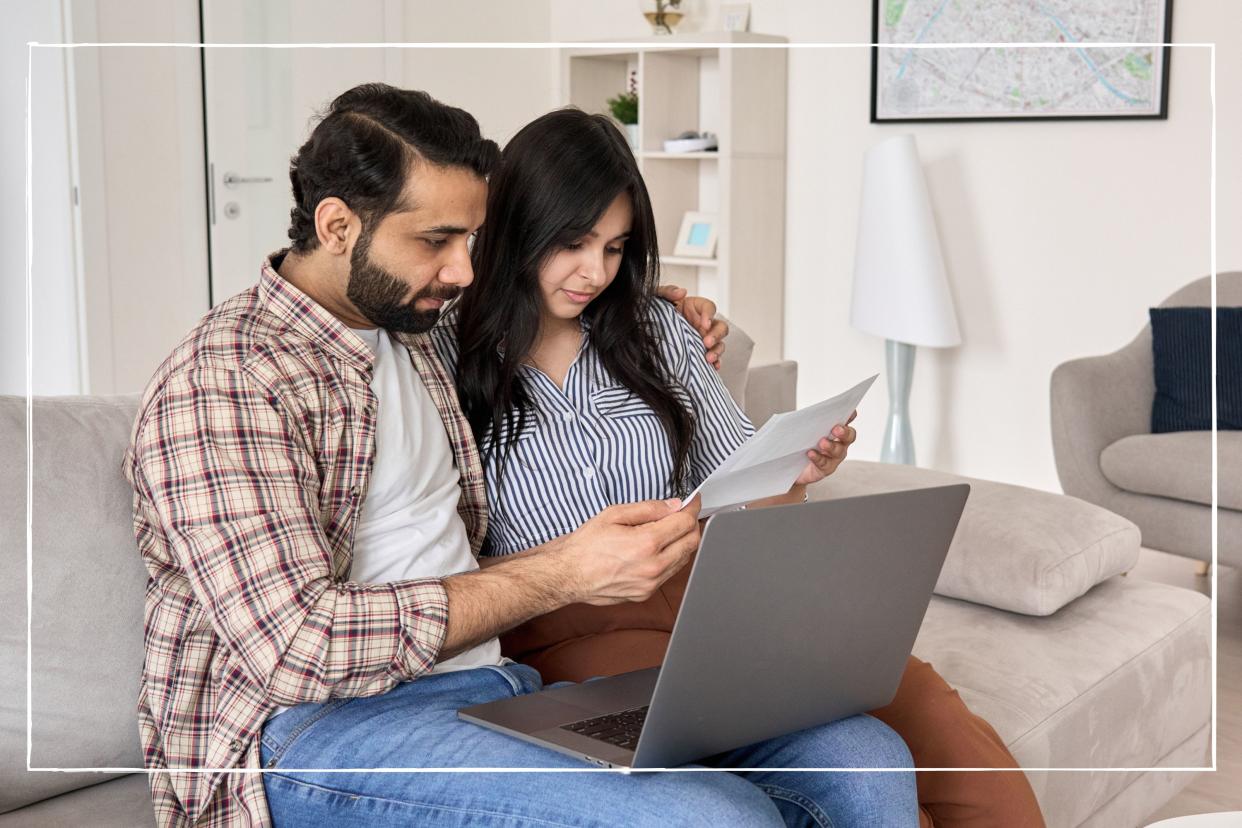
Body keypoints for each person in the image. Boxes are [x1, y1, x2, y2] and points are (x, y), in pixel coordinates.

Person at [125, 83, 917, 828]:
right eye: (437, 240)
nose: (465, 269)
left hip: (497, 687)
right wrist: (567, 571)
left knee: (863, 761)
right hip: (313, 733)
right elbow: (300, 649)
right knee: (710, 818)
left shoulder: (416, 331)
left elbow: (556, 296)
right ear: (337, 227)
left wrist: (664, 306)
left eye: (470, 238)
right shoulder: (227, 379)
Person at [435, 107, 1046, 828]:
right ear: (516, 226)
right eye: (573, 243)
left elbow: (744, 479)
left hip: (715, 589)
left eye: (615, 246)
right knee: (843, 750)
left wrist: (798, 469)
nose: (595, 271)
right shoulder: (443, 355)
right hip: (573, 624)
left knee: (934, 717)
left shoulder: (656, 327)